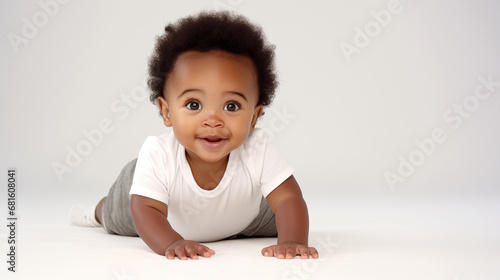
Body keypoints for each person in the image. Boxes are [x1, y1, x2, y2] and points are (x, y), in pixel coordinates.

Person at [70, 10, 319, 260]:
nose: (212, 120)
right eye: (194, 105)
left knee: (276, 219)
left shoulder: (258, 149)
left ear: (254, 117)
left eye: (231, 106)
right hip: (153, 211)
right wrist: (172, 242)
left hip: (241, 217)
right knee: (117, 216)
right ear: (166, 112)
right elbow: (145, 209)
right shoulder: (158, 154)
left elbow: (288, 198)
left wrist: (292, 241)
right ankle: (96, 211)